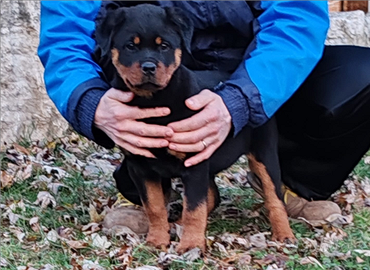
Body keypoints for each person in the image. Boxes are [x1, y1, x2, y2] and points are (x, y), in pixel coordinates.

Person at [38, 1, 370, 233]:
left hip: (254, 68)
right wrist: (92, 103)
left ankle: (294, 185)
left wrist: (241, 99)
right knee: (145, 153)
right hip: (154, 86)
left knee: (360, 75)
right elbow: (65, 34)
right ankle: (153, 195)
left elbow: (295, 18)